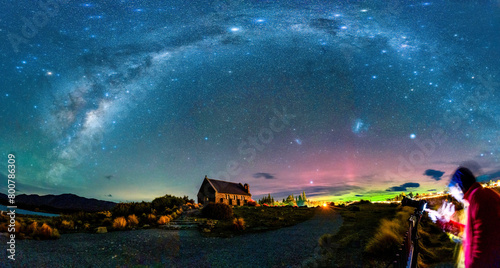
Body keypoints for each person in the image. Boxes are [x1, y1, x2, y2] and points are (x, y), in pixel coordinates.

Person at [429, 167, 500, 268]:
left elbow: (482, 250)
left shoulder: (479, 200)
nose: (454, 196)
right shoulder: (479, 197)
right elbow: (469, 233)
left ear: (458, 187)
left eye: (452, 191)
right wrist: (445, 223)